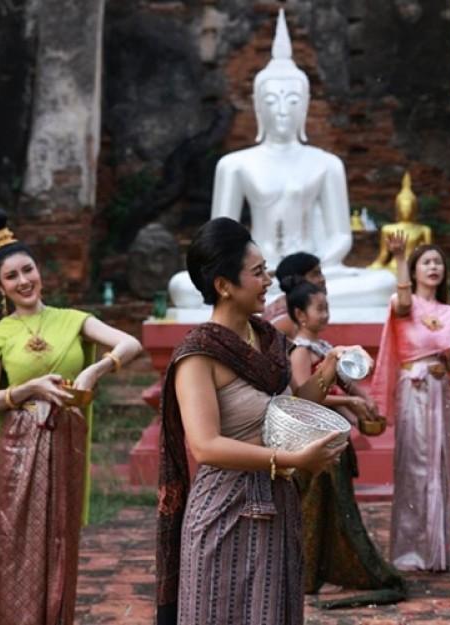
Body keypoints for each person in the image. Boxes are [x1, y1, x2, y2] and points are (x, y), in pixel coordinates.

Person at [155, 217, 353, 625]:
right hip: (225, 509)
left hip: (277, 503)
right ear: (224, 285)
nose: (269, 281)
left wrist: (328, 370)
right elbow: (205, 446)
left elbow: (291, 406)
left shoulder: (267, 339)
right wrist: (293, 461)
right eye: (258, 272)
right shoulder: (199, 354)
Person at [0, 210, 142, 625]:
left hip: (65, 437)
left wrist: (95, 369)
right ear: (1, 287)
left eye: (28, 269)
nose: (24, 280)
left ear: (39, 271)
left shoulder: (73, 320)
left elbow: (130, 342)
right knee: (18, 541)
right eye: (12, 276)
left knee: (61, 537)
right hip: (21, 443)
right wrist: (28, 388)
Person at [370, 234, 450, 571]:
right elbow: (404, 305)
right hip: (413, 389)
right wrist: (399, 259)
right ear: (414, 270)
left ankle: (434, 551)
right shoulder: (403, 304)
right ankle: (408, 552)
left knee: (436, 467)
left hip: (439, 392)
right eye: (426, 262)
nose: (434, 267)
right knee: (412, 465)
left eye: (438, 262)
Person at [285, 281, 406, 607]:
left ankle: (322, 569)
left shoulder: (324, 347)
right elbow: (303, 398)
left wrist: (365, 401)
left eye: (327, 307)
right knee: (313, 509)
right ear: (299, 314)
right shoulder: (299, 351)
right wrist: (350, 401)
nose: (325, 314)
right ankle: (306, 573)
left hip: (333, 436)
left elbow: (346, 382)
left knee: (335, 508)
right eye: (319, 308)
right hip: (313, 439)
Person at [262, 251, 326, 337]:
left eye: (320, 273)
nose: (322, 279)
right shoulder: (288, 319)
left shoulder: (290, 305)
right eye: (315, 274)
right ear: (297, 281)